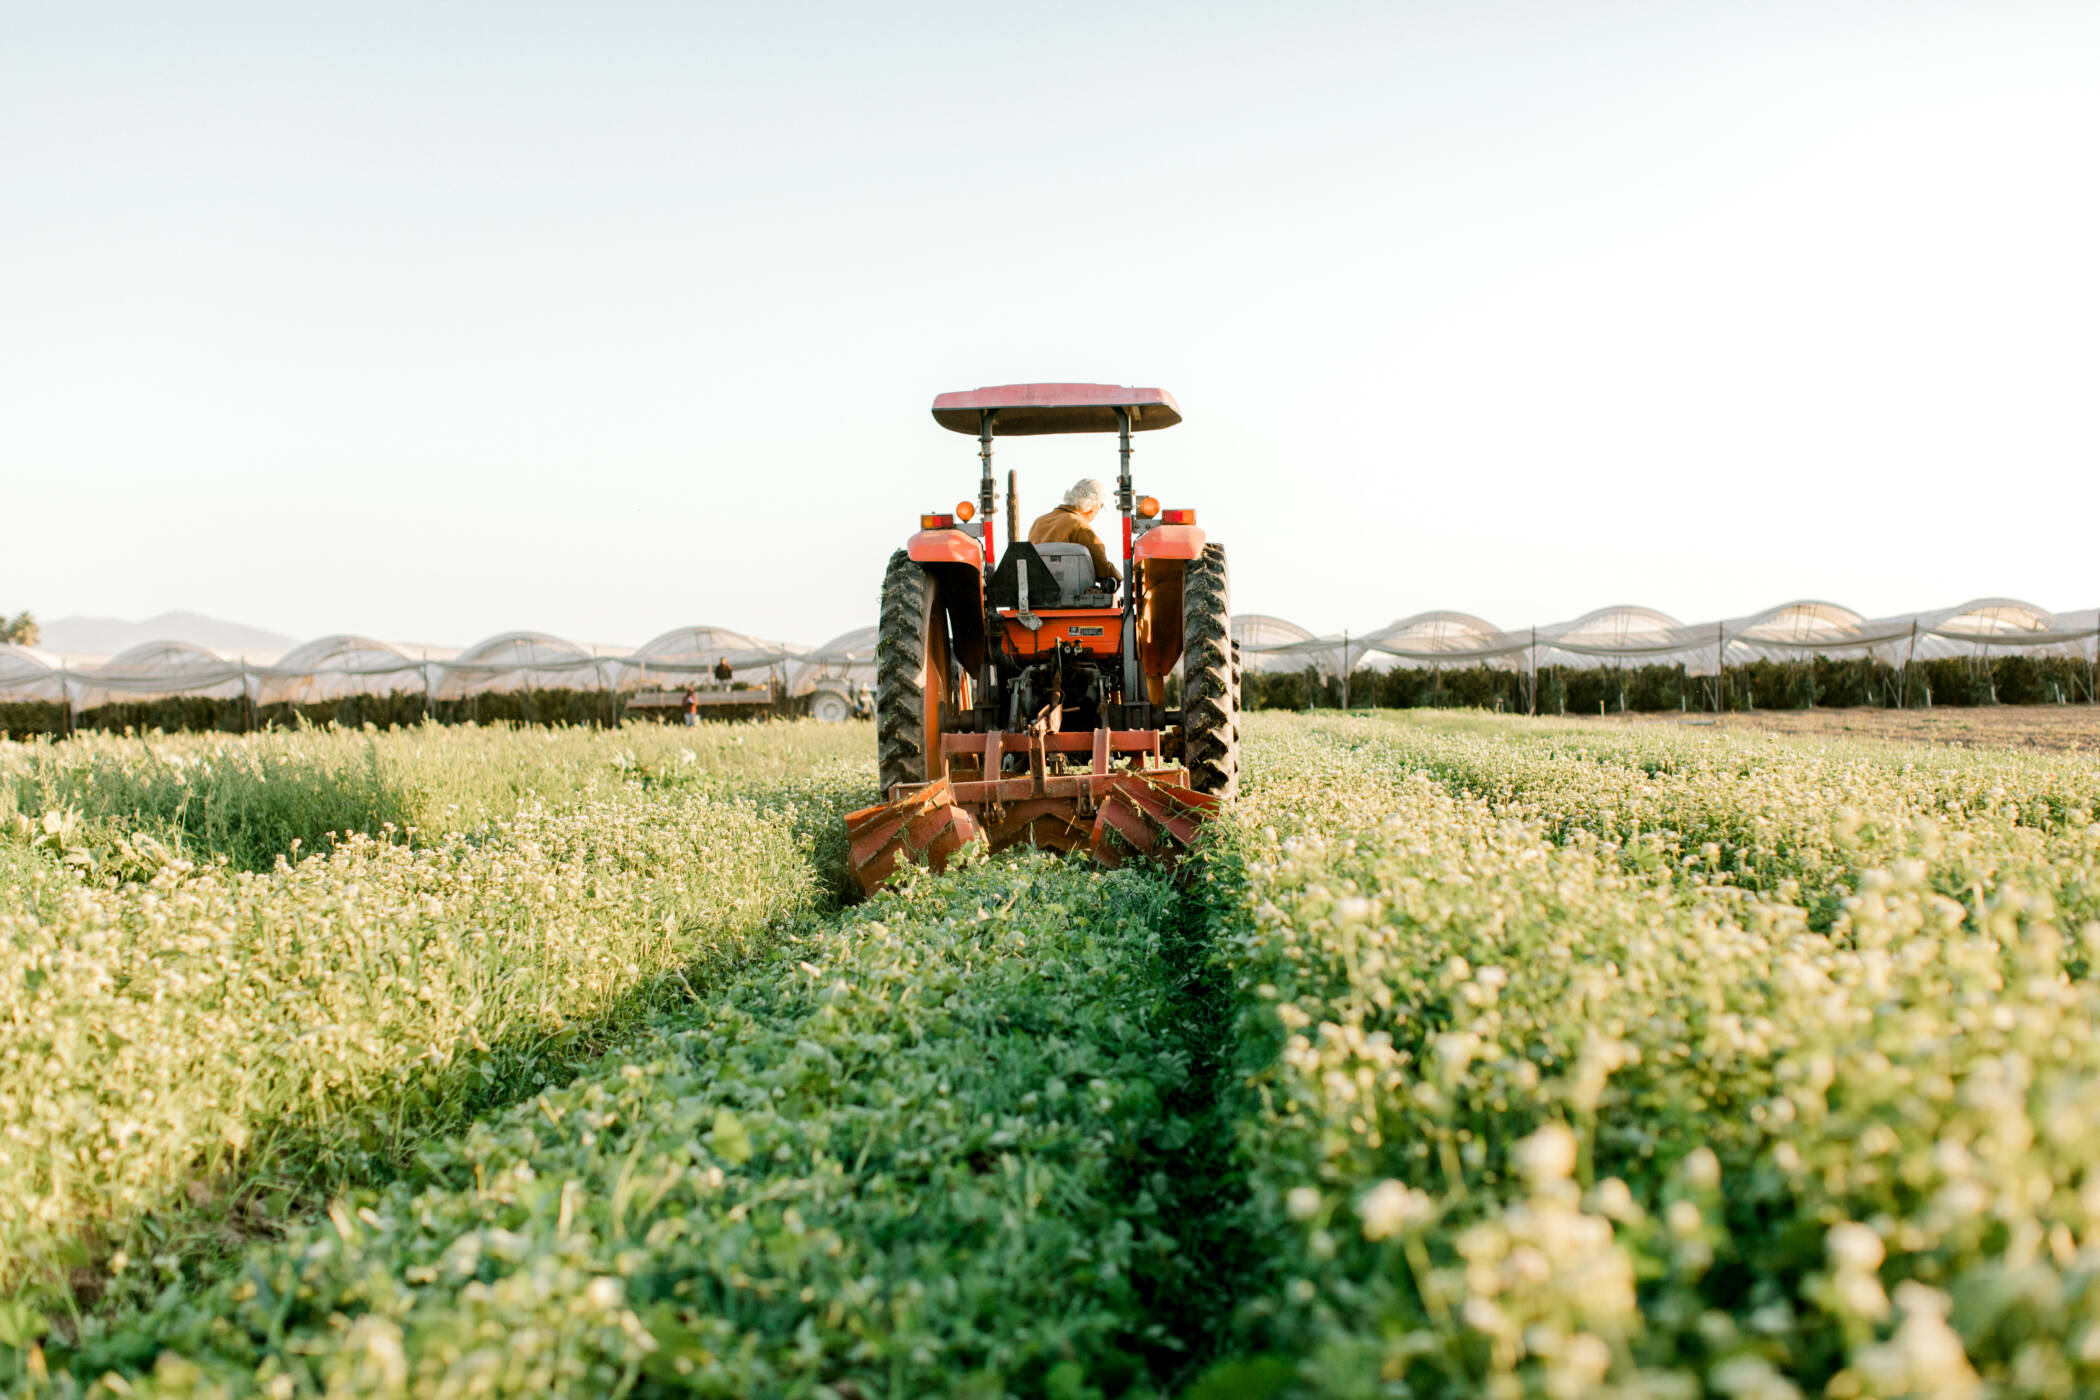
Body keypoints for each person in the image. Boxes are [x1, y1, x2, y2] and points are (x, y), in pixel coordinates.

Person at [1027, 478, 1121, 591]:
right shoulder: (1079, 525)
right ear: (1093, 505)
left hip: (1038, 594)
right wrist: (1118, 577)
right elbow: (1102, 568)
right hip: (1072, 597)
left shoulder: (1039, 522)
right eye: (1100, 507)